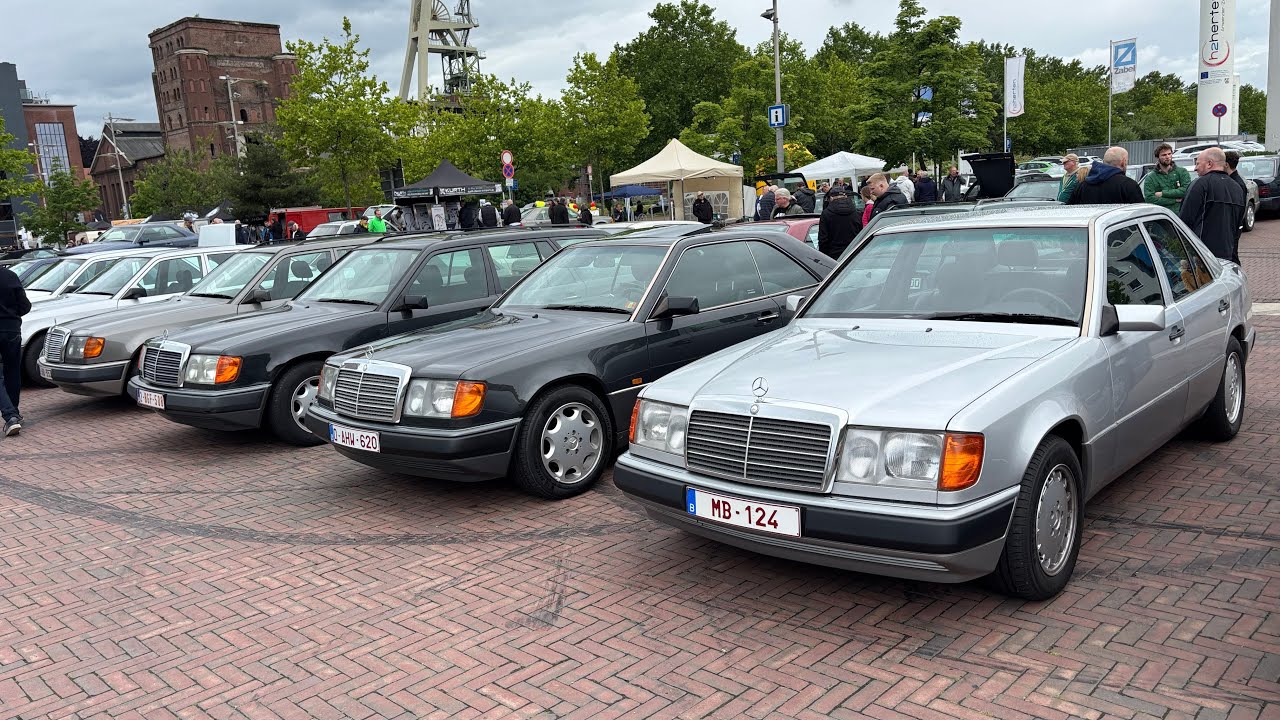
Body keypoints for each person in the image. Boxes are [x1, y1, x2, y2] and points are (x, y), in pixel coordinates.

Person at [1179, 147, 1245, 262]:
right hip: (1228, 256)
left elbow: (1184, 221)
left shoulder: (1200, 184)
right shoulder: (1237, 188)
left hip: (1202, 257)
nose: (1195, 168)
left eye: (1198, 163)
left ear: (1209, 164)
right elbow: (1238, 225)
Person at [0, 261, 30, 437]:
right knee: (12, 371)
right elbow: (25, 306)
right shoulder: (10, 276)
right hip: (11, 328)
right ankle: (14, 412)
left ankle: (10, 415)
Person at [1066, 146, 1144, 205]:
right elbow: (1140, 214)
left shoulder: (1082, 186)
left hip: (1090, 226)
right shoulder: (1128, 185)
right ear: (1123, 162)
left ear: (1103, 161)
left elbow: (1070, 211)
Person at [1142, 144, 1192, 210]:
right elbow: (1149, 199)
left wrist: (1163, 193)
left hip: (1181, 214)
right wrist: (1174, 200)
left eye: (1169, 154)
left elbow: (1186, 190)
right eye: (1164, 155)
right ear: (1157, 157)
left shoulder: (1182, 172)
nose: (1167, 157)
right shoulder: (1151, 177)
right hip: (1162, 215)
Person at [816, 187, 860, 258]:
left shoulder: (826, 214)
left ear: (831, 198)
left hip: (833, 256)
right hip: (853, 255)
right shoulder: (856, 213)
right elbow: (860, 234)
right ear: (845, 196)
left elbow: (823, 239)